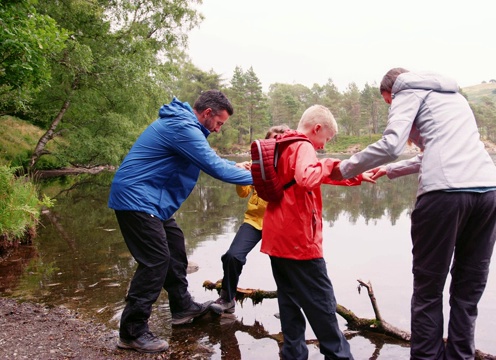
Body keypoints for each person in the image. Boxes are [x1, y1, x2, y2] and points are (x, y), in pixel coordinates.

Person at [331, 68, 496, 360]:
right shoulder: (454, 96)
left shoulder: (405, 91)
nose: (392, 107)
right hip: (489, 193)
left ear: (391, 91)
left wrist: (343, 169)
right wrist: (387, 171)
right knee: (467, 292)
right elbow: (434, 151)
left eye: (388, 103)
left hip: (444, 195)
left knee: (428, 291)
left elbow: (391, 145)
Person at [108, 90, 253, 353]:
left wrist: (240, 168)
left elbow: (211, 159)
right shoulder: (182, 126)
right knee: (155, 261)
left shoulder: (186, 125)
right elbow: (214, 167)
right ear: (207, 113)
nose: (219, 129)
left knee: (175, 246)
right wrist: (263, 179)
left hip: (152, 202)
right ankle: (131, 332)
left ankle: (182, 308)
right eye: (219, 123)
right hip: (136, 199)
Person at [260, 105, 374, 360]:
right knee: (322, 303)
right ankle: (339, 356)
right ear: (317, 128)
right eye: (327, 138)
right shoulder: (303, 145)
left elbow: (304, 176)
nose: (324, 145)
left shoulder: (282, 143)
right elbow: (306, 178)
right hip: (299, 241)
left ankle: (293, 354)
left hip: (276, 237)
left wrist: (354, 176)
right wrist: (331, 162)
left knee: (288, 301)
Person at [210, 124, 290, 314]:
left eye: (280, 140)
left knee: (284, 267)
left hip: (279, 224)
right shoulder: (255, 164)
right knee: (232, 256)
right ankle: (227, 299)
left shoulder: (290, 166)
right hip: (254, 221)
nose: (276, 143)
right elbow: (243, 193)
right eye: (272, 140)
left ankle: (288, 307)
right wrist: (241, 173)